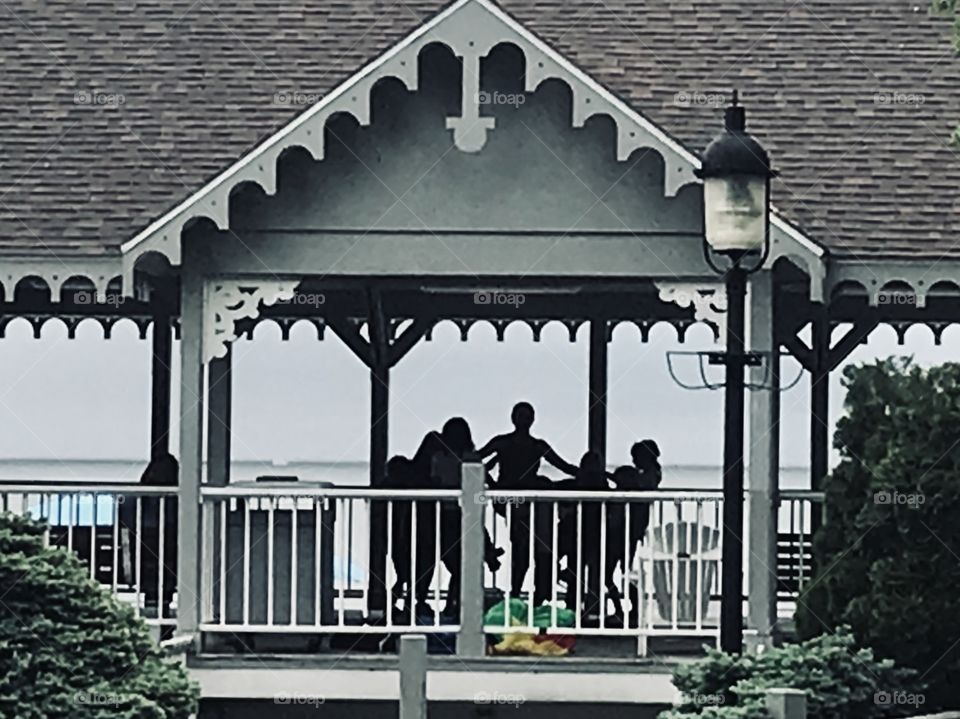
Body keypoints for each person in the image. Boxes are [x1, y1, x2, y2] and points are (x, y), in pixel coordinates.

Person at [478, 402, 579, 602]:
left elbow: (565, 467)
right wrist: (493, 485)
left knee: (533, 549)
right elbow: (473, 460)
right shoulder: (503, 443)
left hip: (532, 503)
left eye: (527, 416)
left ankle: (533, 596)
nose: (524, 420)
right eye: (521, 416)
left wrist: (598, 475)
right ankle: (517, 595)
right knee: (522, 550)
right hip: (513, 502)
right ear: (514, 419)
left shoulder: (536, 446)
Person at [605, 440, 663, 625]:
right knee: (614, 573)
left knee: (624, 572)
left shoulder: (650, 476)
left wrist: (617, 477)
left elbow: (638, 482)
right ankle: (623, 610)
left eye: (636, 456)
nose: (633, 460)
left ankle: (632, 610)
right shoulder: (643, 476)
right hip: (622, 528)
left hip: (629, 529)